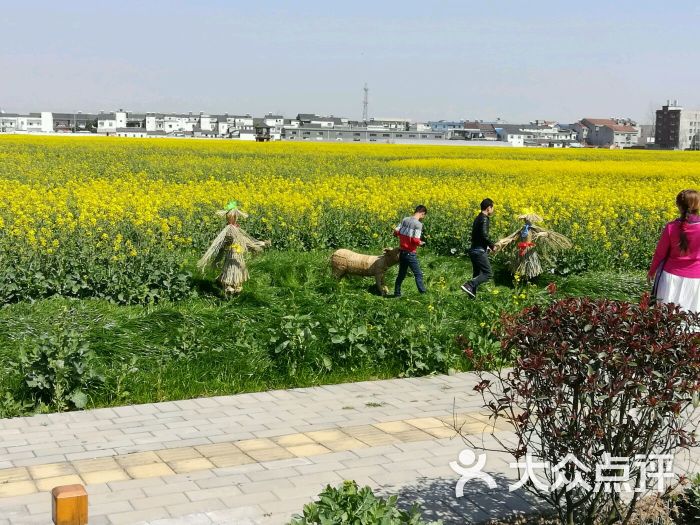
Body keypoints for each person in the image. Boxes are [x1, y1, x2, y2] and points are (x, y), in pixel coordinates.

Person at [197, 200, 270, 295]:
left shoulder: (235, 229)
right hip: (232, 255)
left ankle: (234, 287)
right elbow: (241, 240)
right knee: (230, 269)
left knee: (236, 270)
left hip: (237, 255)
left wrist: (259, 244)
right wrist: (258, 244)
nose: (234, 218)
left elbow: (244, 241)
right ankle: (228, 287)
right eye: (233, 217)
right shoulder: (230, 230)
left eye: (235, 217)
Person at [648, 189, 700, 313]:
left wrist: (652, 271)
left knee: (666, 317)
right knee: (691, 320)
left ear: (678, 206)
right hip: (696, 279)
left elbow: (660, 253)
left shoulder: (671, 227)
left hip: (670, 278)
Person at [462, 198, 496, 298]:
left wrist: (486, 246)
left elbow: (477, 235)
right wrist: (492, 246)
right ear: (489, 208)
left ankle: (471, 298)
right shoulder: (485, 219)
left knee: (476, 274)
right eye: (492, 208)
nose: (492, 210)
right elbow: (484, 235)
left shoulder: (478, 218)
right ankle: (469, 285)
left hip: (474, 249)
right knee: (488, 273)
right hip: (479, 251)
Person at [393, 205, 427, 297]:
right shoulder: (418, 224)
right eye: (423, 216)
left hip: (402, 252)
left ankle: (397, 293)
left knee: (401, 274)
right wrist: (421, 243)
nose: (423, 218)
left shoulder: (405, 219)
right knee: (418, 274)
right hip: (410, 253)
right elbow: (415, 240)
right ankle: (423, 294)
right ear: (422, 213)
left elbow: (396, 231)